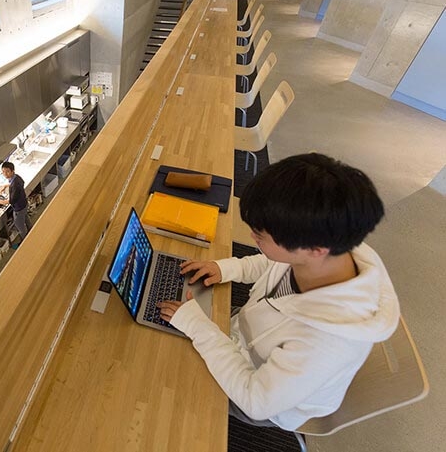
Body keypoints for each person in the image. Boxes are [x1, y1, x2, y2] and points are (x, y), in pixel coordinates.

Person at [157, 153, 400, 431]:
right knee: (164, 340)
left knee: (160, 375)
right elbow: (273, 261)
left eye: (261, 237)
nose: (252, 239)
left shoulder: (326, 343)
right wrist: (226, 269)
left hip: (259, 390)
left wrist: (199, 327)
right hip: (243, 335)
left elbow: (255, 401)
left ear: (314, 250)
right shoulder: (333, 248)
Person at [0, 161, 32, 242]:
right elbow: (21, 183)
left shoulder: (14, 184)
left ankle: (25, 241)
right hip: (24, 204)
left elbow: (11, 201)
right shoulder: (16, 177)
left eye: (7, 171)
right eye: (3, 171)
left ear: (12, 171)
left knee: (20, 226)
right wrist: (7, 186)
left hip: (19, 208)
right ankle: (32, 231)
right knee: (26, 219)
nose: (5, 174)